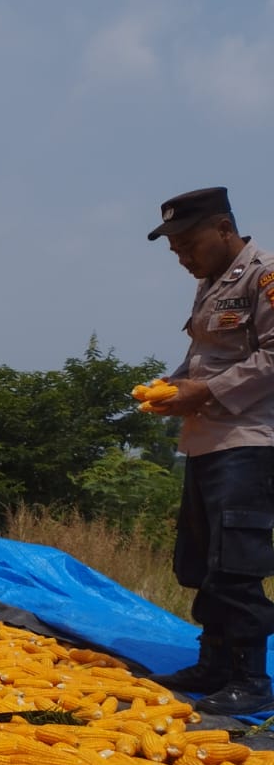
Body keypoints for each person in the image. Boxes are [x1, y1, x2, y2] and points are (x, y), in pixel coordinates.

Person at [144, 187, 274, 714]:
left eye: (187, 243)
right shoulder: (211, 284)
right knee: (201, 560)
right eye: (174, 249)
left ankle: (250, 676)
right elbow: (206, 360)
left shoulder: (265, 275)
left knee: (236, 563)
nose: (181, 257)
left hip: (249, 442)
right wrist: (174, 385)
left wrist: (207, 392)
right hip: (207, 444)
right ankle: (214, 661)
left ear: (223, 228)